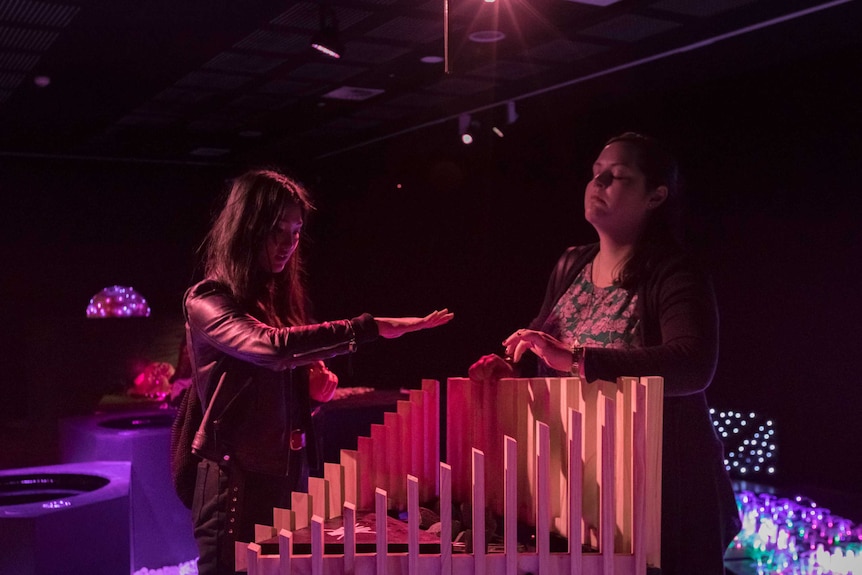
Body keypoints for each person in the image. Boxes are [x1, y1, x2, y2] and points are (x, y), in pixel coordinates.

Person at [469, 132, 740, 574]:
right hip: (579, 488)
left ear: (655, 196)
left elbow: (692, 364)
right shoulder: (570, 263)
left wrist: (579, 359)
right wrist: (510, 371)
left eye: (618, 176)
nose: (599, 182)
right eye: (596, 172)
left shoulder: (674, 269)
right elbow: (545, 355)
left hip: (655, 492)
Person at [184, 168, 453, 574]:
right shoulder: (208, 298)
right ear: (247, 227)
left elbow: (272, 388)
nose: (289, 244)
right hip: (232, 483)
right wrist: (369, 327)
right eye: (278, 230)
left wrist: (311, 394)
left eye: (296, 232)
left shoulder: (274, 301)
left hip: (281, 478)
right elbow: (269, 349)